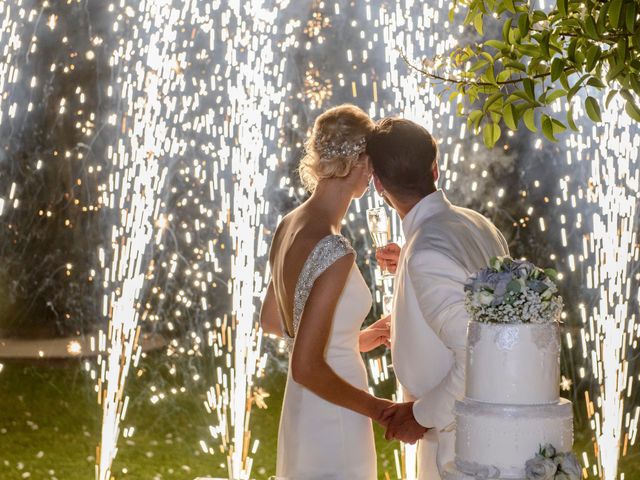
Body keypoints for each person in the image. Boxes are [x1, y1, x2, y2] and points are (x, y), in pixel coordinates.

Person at [368, 118, 510, 480]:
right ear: (435, 167)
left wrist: (418, 416)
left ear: (377, 183)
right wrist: (410, 266)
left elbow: (478, 353)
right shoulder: (478, 224)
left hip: (458, 441)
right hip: (480, 426)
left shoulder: (427, 253)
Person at [259, 104, 393, 479]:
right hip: (336, 410)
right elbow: (307, 366)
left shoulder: (289, 224)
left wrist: (352, 338)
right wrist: (378, 409)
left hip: (302, 410)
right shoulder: (334, 249)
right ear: (363, 162)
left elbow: (273, 321)